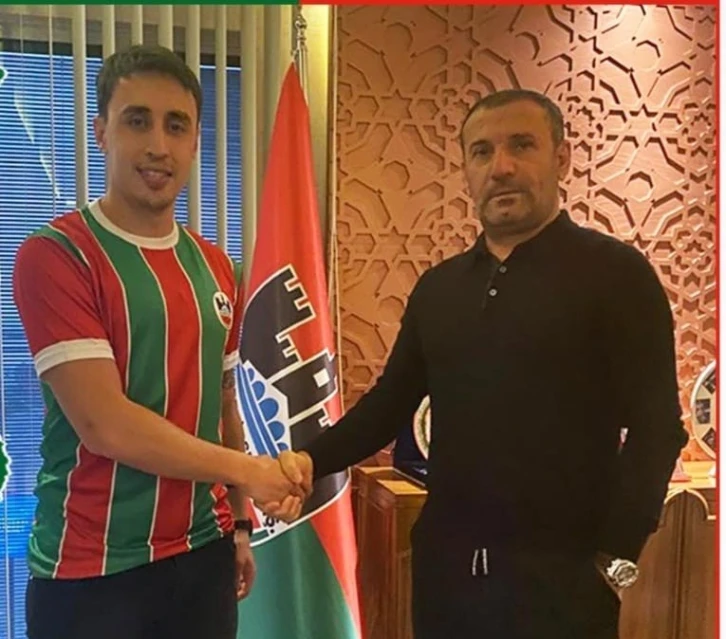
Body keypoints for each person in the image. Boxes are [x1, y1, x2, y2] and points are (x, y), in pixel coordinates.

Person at [271, 89, 689, 638]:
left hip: (564, 588)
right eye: (482, 151)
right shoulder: (439, 289)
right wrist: (307, 460)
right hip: (447, 578)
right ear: (467, 169)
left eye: (522, 145)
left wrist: (616, 557)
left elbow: (658, 429)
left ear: (561, 158)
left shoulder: (617, 276)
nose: (502, 167)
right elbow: (388, 405)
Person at [13, 45, 304, 639]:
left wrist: (239, 523)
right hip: (90, 569)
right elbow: (105, 424)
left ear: (195, 142)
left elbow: (222, 405)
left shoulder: (217, 267)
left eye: (176, 126)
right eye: (137, 120)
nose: (158, 145)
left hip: (203, 556)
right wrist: (252, 471)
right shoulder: (56, 256)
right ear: (102, 132)